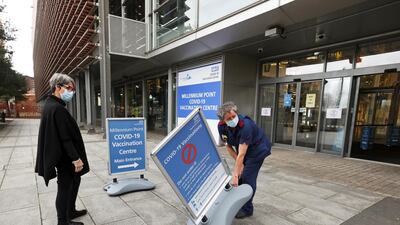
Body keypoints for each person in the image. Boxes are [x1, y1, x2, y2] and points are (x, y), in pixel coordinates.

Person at [35, 73, 90, 225]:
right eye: (69, 88)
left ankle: (70, 211)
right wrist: (76, 158)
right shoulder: (57, 109)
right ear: (58, 87)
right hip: (65, 158)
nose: (72, 92)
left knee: (75, 180)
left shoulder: (52, 105)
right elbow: (65, 138)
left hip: (63, 156)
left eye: (73, 89)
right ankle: (62, 221)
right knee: (64, 187)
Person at [217, 101, 271, 219]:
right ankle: (239, 202)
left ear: (236, 113)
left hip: (258, 150)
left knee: (247, 177)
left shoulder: (246, 125)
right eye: (228, 118)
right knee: (241, 175)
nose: (232, 119)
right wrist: (239, 167)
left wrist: (235, 175)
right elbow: (228, 146)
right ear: (223, 120)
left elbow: (241, 154)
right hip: (244, 150)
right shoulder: (221, 127)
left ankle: (247, 209)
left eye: (233, 116)